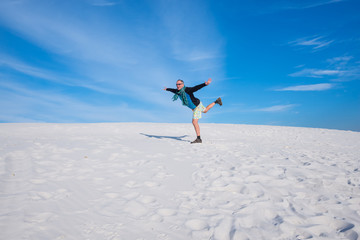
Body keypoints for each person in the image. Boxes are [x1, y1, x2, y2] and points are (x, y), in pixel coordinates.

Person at [164, 78, 222, 144]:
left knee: (194, 122)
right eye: (176, 84)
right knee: (205, 110)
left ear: (183, 84)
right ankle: (217, 101)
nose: (178, 85)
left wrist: (205, 84)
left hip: (196, 106)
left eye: (179, 84)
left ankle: (198, 139)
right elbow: (173, 90)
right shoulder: (178, 91)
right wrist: (167, 89)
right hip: (197, 104)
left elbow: (196, 88)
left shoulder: (187, 90)